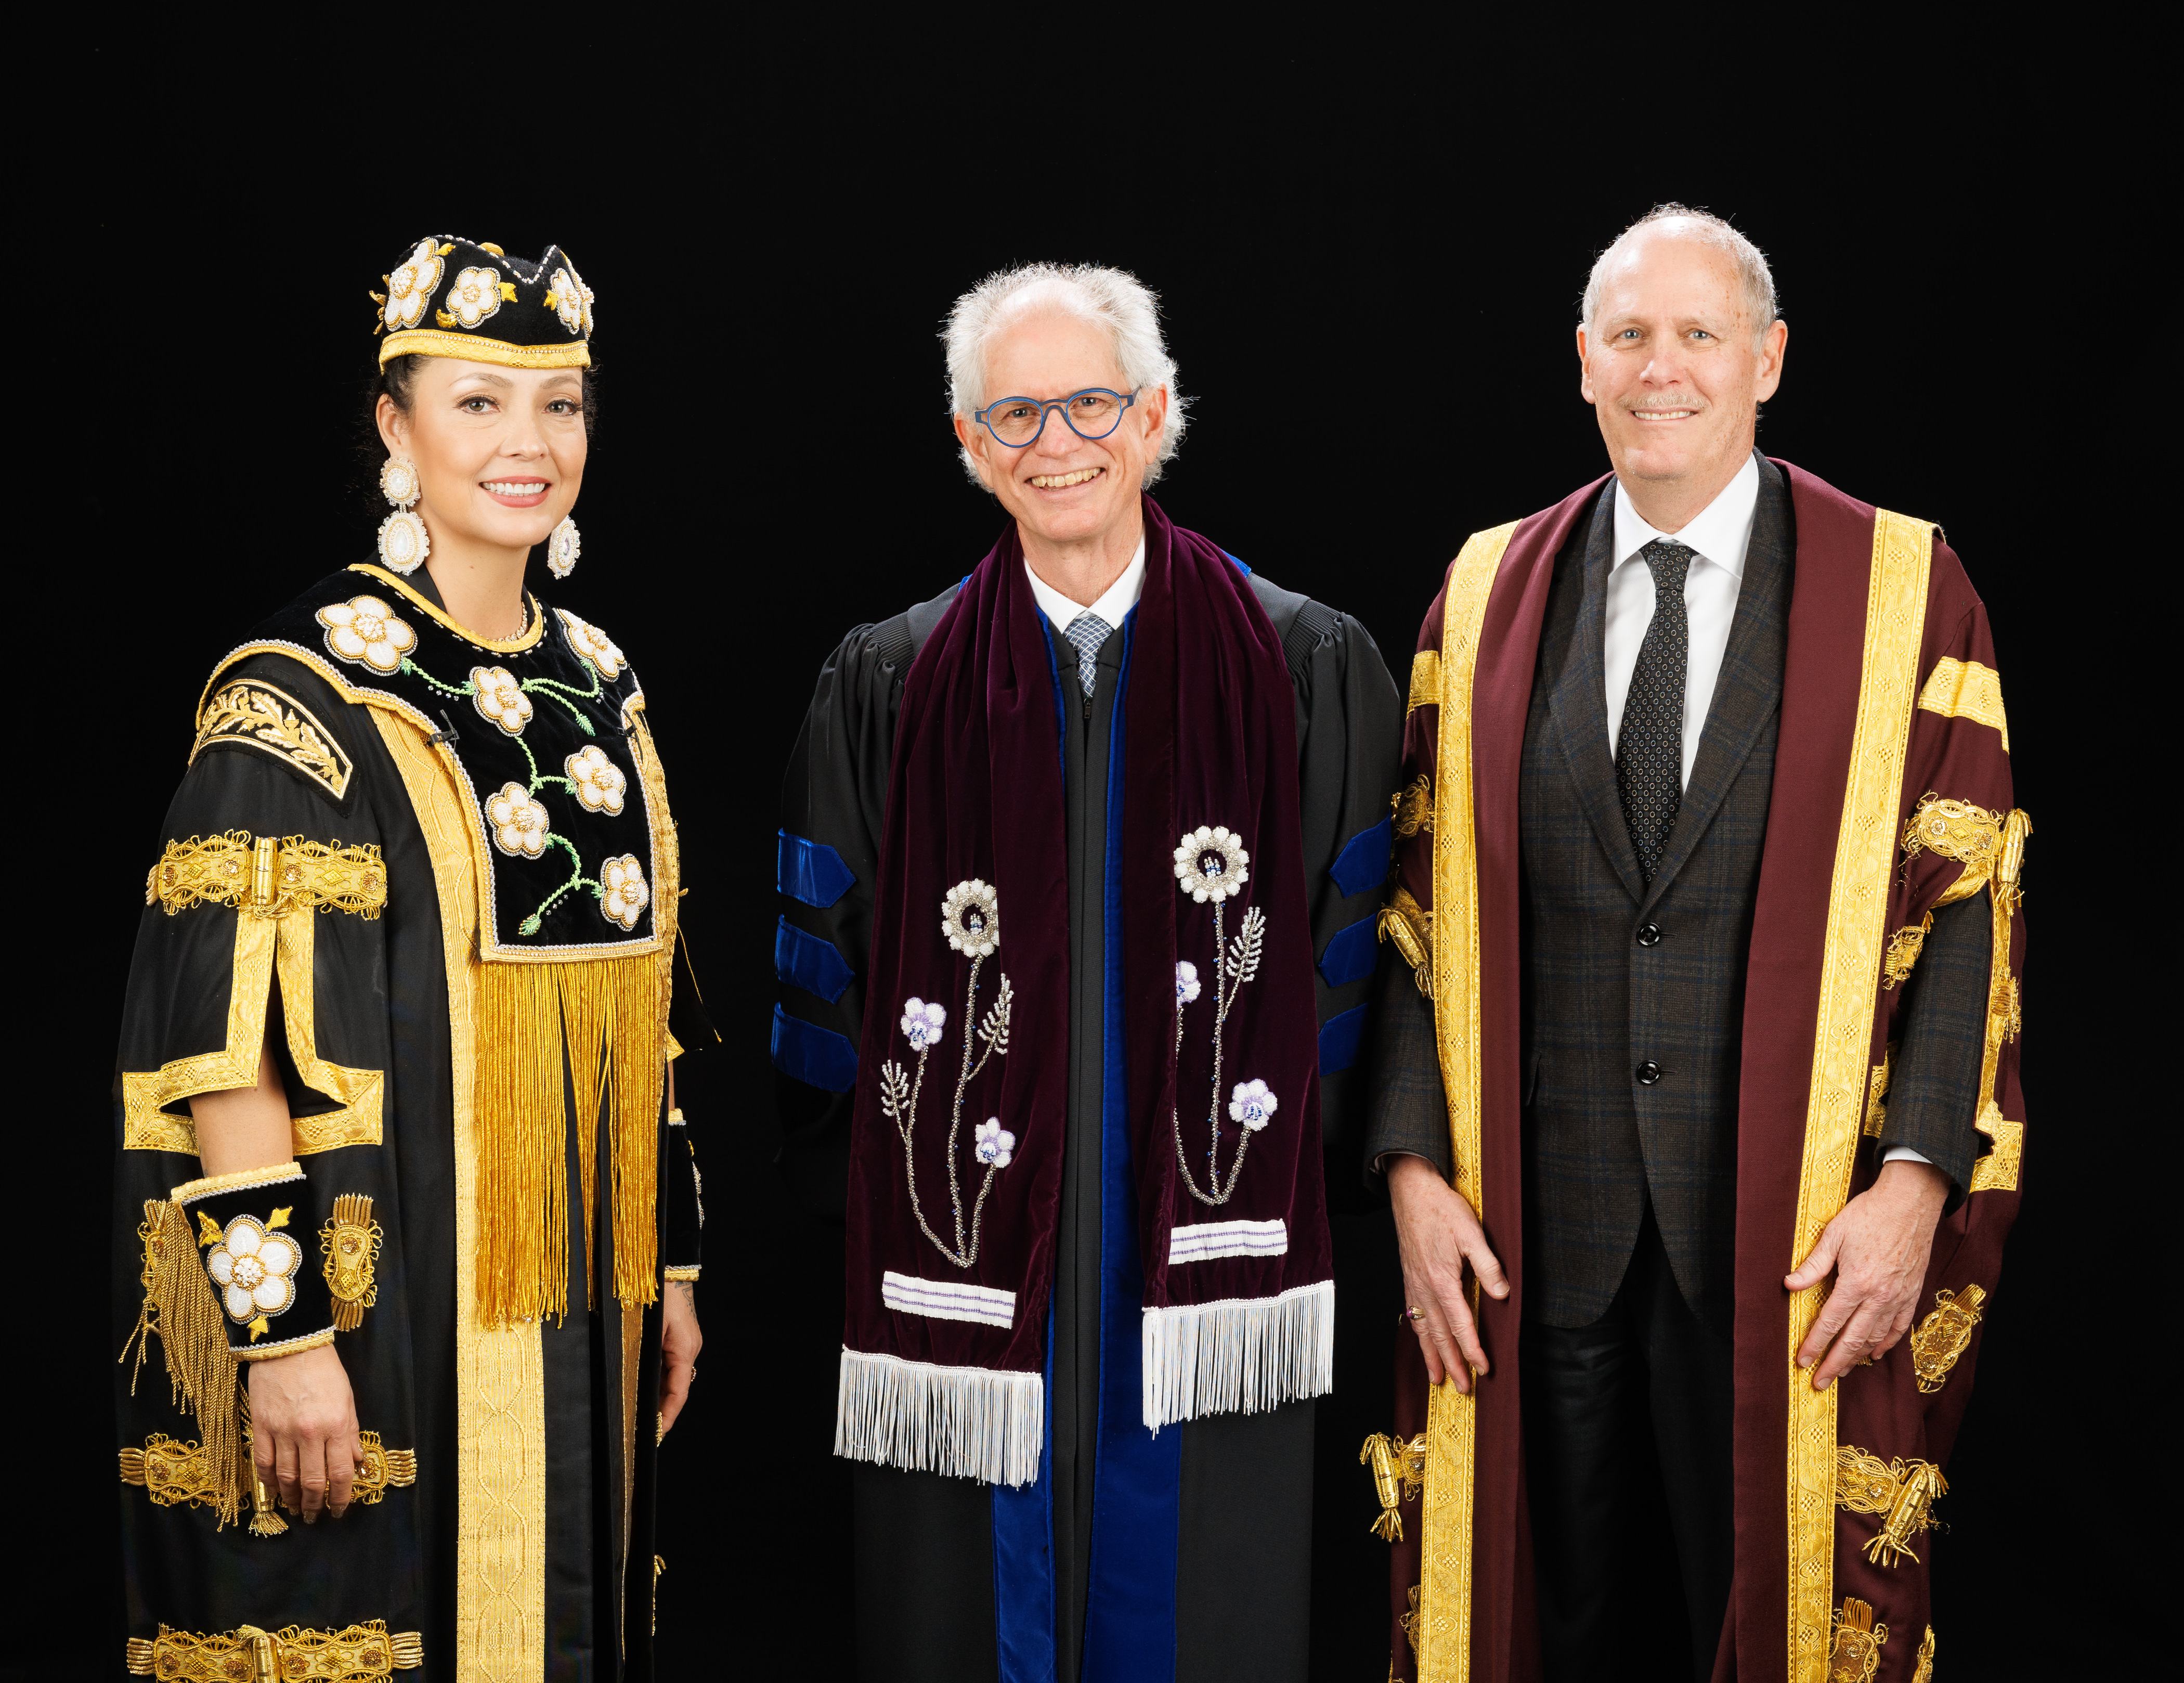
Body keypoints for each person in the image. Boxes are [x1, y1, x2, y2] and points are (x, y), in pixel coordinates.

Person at [1362, 205, 2024, 1681]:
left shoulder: (1903, 591)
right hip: (1532, 1230)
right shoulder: (1484, 596)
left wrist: (1915, 1183)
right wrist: (1410, 1172)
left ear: (1769, 359)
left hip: (1789, 1229)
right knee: (1556, 1621)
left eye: (1701, 335)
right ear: (1583, 363)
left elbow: (1967, 910)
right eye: (1631, 335)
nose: (1664, 368)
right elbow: (1407, 918)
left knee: (1770, 1612)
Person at [772, 263, 1403, 1681]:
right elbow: (835, 988)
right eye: (1015, 412)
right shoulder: (888, 679)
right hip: (970, 1257)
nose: (1056, 441)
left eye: (1091, 403)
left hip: (1207, 1261)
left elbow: (1348, 965)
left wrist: (1290, 1162)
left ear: (1157, 413)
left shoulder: (1303, 662)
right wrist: (890, 1188)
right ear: (970, 446)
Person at [112, 235, 705, 1680]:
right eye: (479, 403)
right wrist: (281, 1336)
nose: (530, 444)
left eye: (559, 404)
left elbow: (651, 1018)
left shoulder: (601, 684)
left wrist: (672, 1271)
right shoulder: (304, 692)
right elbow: (224, 1046)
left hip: (581, 1293)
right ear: (396, 428)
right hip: (379, 1298)